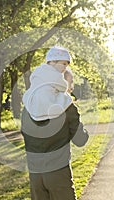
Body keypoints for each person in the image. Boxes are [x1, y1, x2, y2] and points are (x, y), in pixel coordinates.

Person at [21, 46, 89, 200]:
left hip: (35, 174)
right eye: (64, 64)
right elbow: (80, 140)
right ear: (54, 64)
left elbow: (26, 135)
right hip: (58, 172)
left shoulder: (28, 104)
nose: (65, 68)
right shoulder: (65, 104)